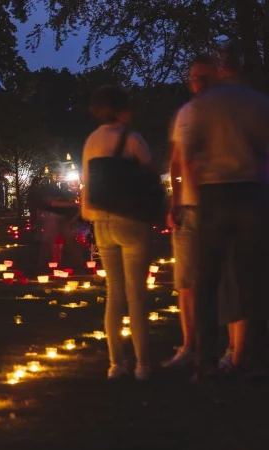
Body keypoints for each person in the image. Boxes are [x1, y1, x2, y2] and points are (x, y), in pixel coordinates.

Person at [186, 42, 269, 379]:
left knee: (208, 279)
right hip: (251, 191)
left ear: (221, 71)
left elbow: (191, 154)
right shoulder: (259, 104)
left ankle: (205, 360)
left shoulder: (204, 106)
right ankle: (255, 359)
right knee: (253, 278)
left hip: (215, 193)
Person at [81, 85, 152, 381]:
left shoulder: (91, 141)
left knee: (114, 293)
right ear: (121, 110)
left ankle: (116, 363)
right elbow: (149, 175)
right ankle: (143, 364)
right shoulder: (132, 140)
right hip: (130, 219)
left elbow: (87, 182)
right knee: (136, 295)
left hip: (101, 222)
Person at [162, 55, 217, 368]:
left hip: (220, 204)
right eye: (195, 77)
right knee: (185, 280)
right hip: (189, 207)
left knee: (227, 280)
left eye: (205, 77)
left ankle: (232, 349)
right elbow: (176, 161)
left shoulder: (226, 113)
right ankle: (189, 345)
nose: (199, 83)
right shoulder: (185, 114)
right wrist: (175, 202)